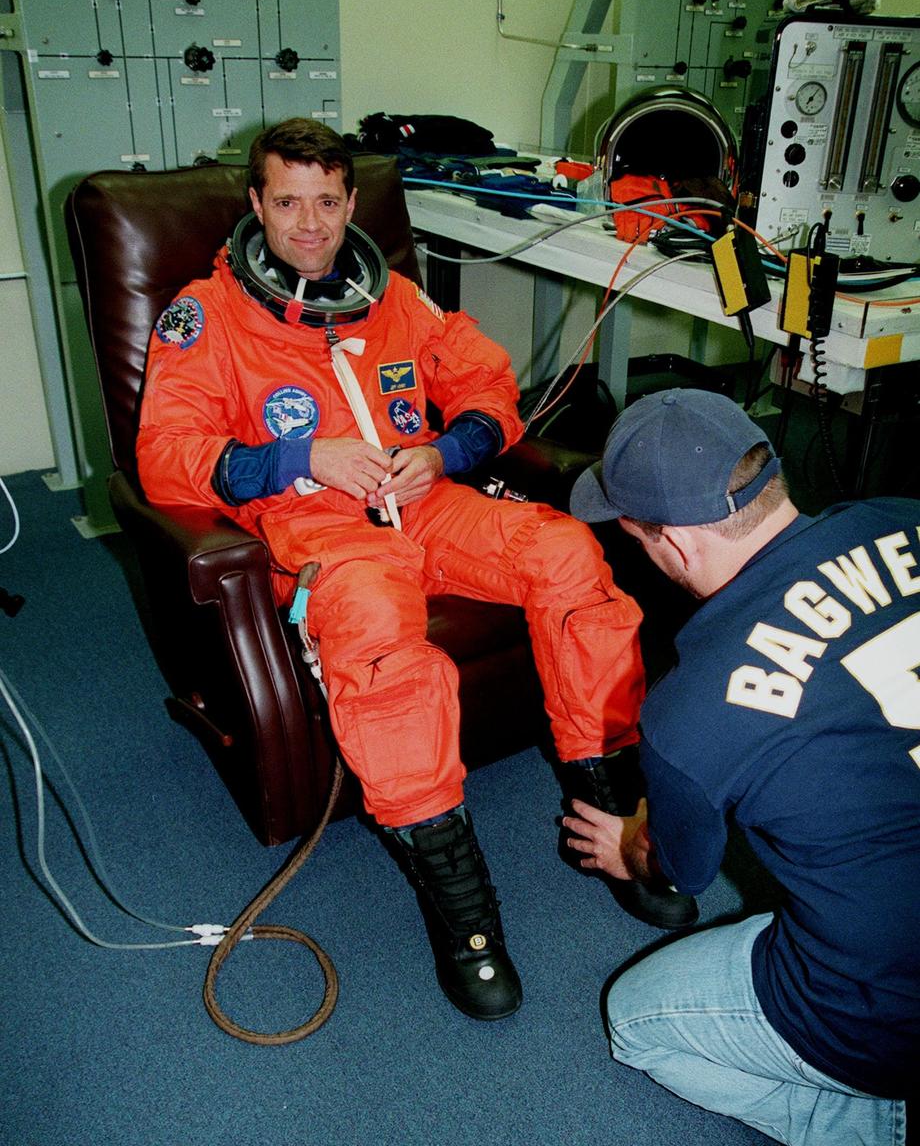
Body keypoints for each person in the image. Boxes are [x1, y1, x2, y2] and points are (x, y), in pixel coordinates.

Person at [136, 118, 696, 1024]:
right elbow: (166, 454)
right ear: (255, 203)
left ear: (353, 203)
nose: (309, 225)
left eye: (327, 202)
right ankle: (466, 920)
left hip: (425, 500)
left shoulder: (393, 295)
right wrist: (303, 457)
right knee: (382, 650)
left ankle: (614, 824)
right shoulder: (208, 316)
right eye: (287, 202)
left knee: (567, 555)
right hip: (322, 526)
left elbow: (485, 383)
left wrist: (449, 451)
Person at [566, 387, 919, 1145]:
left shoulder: (688, 711)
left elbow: (675, 872)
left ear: (676, 545)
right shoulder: (903, 515)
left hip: (888, 1011)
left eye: (636, 537)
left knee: (637, 1021)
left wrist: (629, 845)